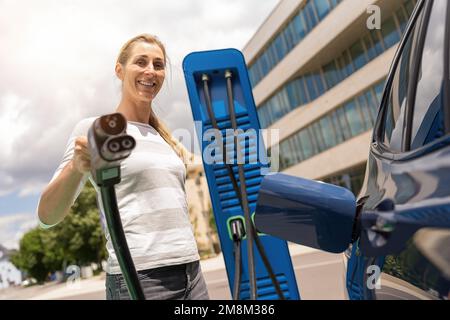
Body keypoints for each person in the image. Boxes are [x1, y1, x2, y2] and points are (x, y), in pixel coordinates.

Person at [37, 34, 210, 300]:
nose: (150, 71)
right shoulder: (97, 129)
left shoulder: (165, 138)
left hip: (191, 272)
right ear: (120, 70)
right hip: (139, 277)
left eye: (158, 64)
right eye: (140, 62)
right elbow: (47, 217)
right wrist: (76, 166)